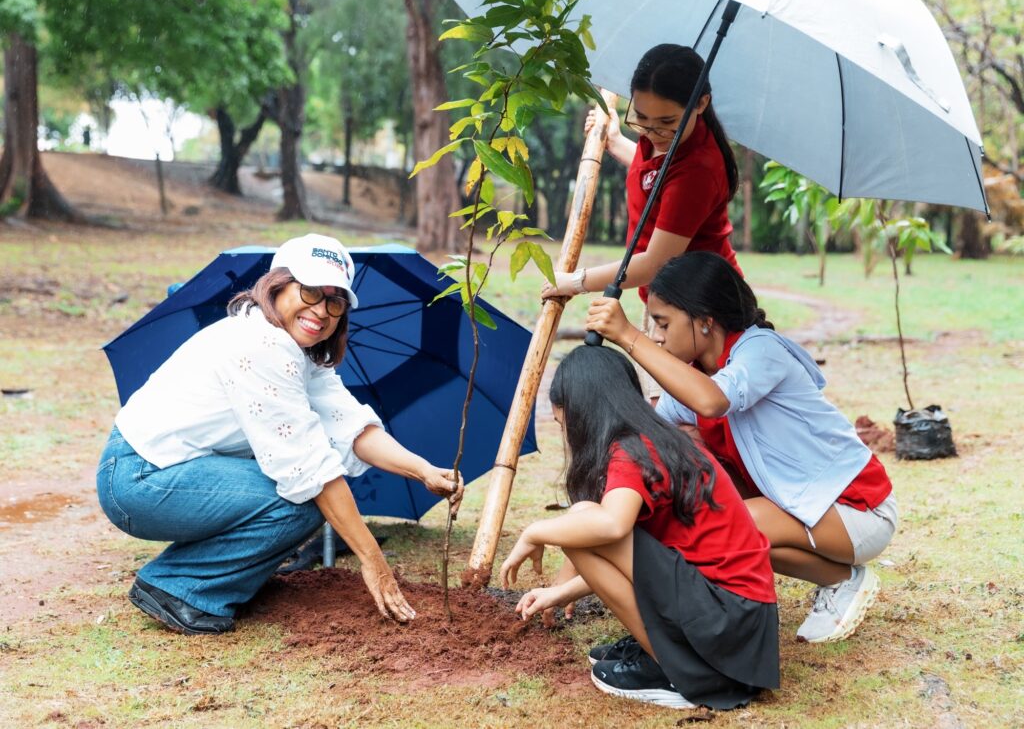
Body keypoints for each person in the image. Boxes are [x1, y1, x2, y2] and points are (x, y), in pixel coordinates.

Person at [96, 234, 463, 635]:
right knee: (302, 500)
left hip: (166, 471)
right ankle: (179, 586)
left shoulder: (297, 353)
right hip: (139, 478)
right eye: (310, 291)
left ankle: (200, 577)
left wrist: (422, 470)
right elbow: (310, 470)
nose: (321, 310)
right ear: (276, 286)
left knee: (306, 494)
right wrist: (374, 562)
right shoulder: (261, 345)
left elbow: (351, 426)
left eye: (335, 301)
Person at [586, 251, 899, 643]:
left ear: (705, 321)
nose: (656, 336)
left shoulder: (761, 350)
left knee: (722, 529)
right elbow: (645, 439)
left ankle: (839, 580)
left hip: (857, 508)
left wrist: (628, 336)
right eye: (651, 326)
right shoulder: (695, 378)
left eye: (663, 323)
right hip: (799, 506)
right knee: (705, 516)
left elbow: (712, 401)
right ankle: (839, 578)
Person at [499, 345, 779, 710]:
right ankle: (670, 651)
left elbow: (611, 529)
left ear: (586, 413)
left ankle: (674, 669)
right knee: (585, 516)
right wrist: (562, 592)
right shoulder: (655, 439)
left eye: (564, 424)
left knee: (584, 522)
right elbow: (641, 556)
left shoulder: (632, 452)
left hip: (728, 627)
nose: (567, 435)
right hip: (741, 626)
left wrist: (534, 532)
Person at [540, 43, 741, 304]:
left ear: (701, 103)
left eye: (667, 122)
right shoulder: (669, 139)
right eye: (641, 117)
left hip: (703, 307)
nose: (652, 133)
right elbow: (657, 175)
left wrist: (576, 281)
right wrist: (615, 141)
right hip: (672, 298)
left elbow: (654, 263)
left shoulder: (698, 171)